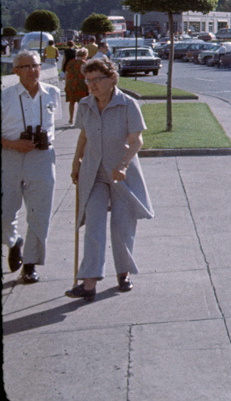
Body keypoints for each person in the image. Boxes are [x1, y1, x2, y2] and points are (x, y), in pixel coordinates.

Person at [66, 58, 153, 301]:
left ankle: (123, 273)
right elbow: (84, 136)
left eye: (97, 80)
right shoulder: (85, 104)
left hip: (121, 173)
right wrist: (76, 162)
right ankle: (89, 283)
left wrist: (124, 164)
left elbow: (137, 141)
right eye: (88, 80)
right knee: (93, 225)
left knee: (122, 226)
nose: (91, 85)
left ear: (112, 79)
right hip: (94, 173)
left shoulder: (128, 104)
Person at [2, 49, 62, 284]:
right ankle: (13, 241)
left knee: (40, 213)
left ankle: (30, 263)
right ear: (16, 71)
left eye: (35, 65)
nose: (32, 70)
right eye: (26, 66)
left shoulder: (52, 94)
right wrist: (12, 144)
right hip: (10, 156)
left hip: (42, 158)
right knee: (5, 212)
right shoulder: (5, 97)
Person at [65, 47, 89, 125]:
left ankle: (71, 119)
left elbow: (66, 74)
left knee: (72, 103)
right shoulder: (85, 64)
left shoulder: (70, 62)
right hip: (81, 85)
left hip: (71, 84)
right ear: (85, 55)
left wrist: (66, 84)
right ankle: (81, 119)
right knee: (81, 103)